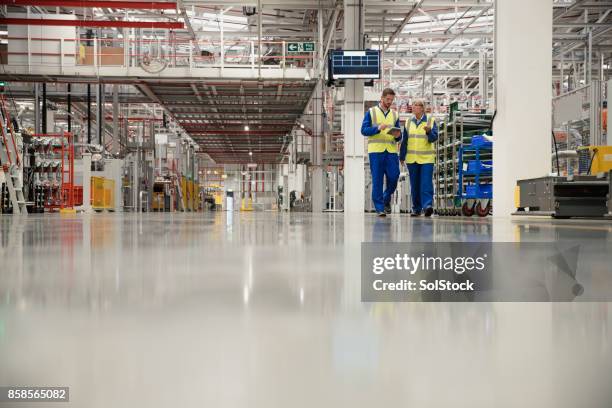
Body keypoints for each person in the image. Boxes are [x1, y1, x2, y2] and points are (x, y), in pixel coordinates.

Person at [361, 88, 402, 217]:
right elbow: (364, 130)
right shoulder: (371, 112)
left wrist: (398, 136)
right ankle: (379, 208)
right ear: (382, 98)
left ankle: (385, 198)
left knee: (394, 176)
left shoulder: (395, 114)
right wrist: (378, 128)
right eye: (388, 99)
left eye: (392, 100)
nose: (390, 102)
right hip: (376, 151)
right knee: (377, 180)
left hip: (391, 151)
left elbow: (399, 136)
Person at [399, 99, 438, 217]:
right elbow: (404, 141)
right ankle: (416, 208)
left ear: (422, 108)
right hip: (412, 159)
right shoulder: (408, 122)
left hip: (426, 159)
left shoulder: (430, 120)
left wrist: (429, 132)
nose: (414, 107)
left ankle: (427, 206)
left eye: (417, 105)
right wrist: (402, 156)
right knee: (414, 185)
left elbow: (434, 138)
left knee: (426, 183)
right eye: (413, 105)